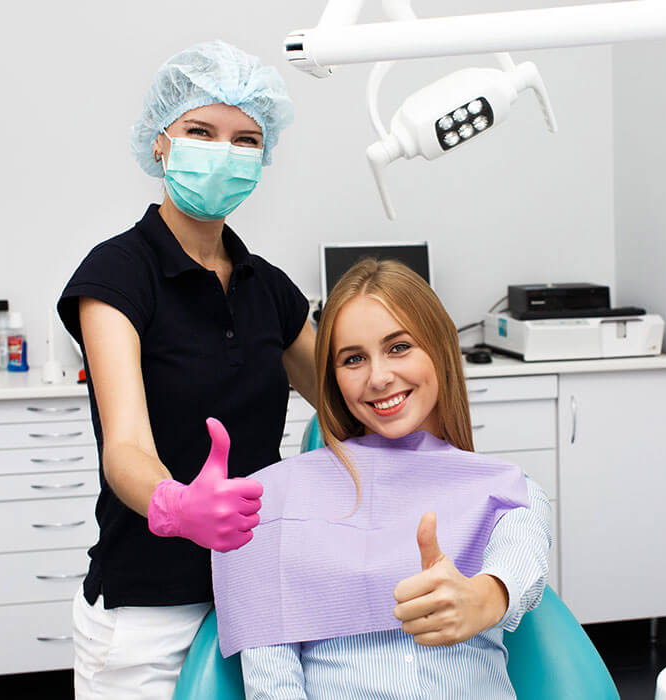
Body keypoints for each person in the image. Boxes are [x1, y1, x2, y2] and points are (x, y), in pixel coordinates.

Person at [56, 41, 317, 699]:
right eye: (201, 131)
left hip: (257, 592)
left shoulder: (269, 288)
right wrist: (175, 504)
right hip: (151, 610)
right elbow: (125, 448)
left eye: (245, 139)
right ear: (161, 142)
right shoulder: (118, 273)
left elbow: (349, 403)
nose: (224, 152)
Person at [212, 259, 552, 699]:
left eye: (399, 347)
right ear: (333, 378)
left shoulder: (506, 491)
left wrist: (483, 599)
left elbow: (520, 558)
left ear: (440, 348)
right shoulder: (274, 503)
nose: (379, 377)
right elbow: (272, 685)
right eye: (353, 359)